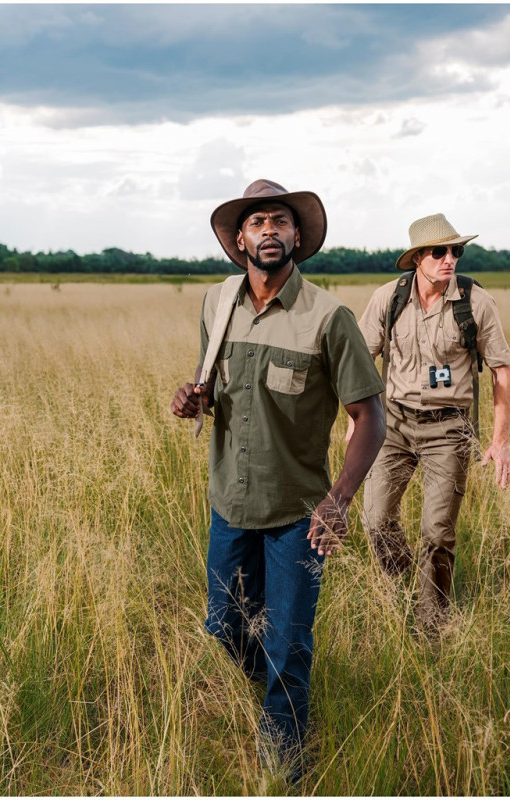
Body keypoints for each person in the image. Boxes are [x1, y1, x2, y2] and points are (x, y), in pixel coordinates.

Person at [171, 179, 385, 781]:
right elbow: (209, 378)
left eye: (281, 221)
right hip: (229, 504)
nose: (269, 231)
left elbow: (372, 418)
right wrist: (194, 396)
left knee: (289, 644)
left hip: (300, 514)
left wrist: (339, 501)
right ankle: (277, 696)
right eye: (257, 222)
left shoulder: (328, 317)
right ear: (240, 238)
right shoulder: (218, 301)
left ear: (298, 236)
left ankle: (284, 765)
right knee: (224, 627)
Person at [354, 213, 510, 638]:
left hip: (449, 429)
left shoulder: (475, 302)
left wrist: (500, 441)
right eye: (439, 252)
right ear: (417, 259)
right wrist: (358, 419)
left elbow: (502, 371)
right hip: (392, 426)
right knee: (375, 520)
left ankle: (432, 626)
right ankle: (403, 588)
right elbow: (357, 362)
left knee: (437, 532)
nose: (450, 259)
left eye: (456, 251)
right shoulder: (387, 299)